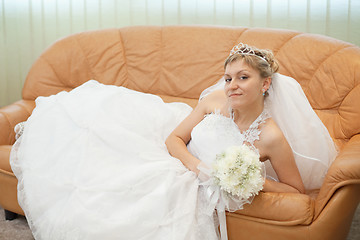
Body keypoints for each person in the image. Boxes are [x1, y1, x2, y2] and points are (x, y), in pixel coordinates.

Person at [10, 43, 336, 240]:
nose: (232, 86)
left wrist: (250, 180)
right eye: (228, 78)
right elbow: (175, 138)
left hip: (198, 180)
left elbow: (296, 191)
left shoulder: (271, 136)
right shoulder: (214, 101)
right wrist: (198, 168)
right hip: (182, 158)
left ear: (265, 84)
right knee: (98, 125)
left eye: (243, 78)